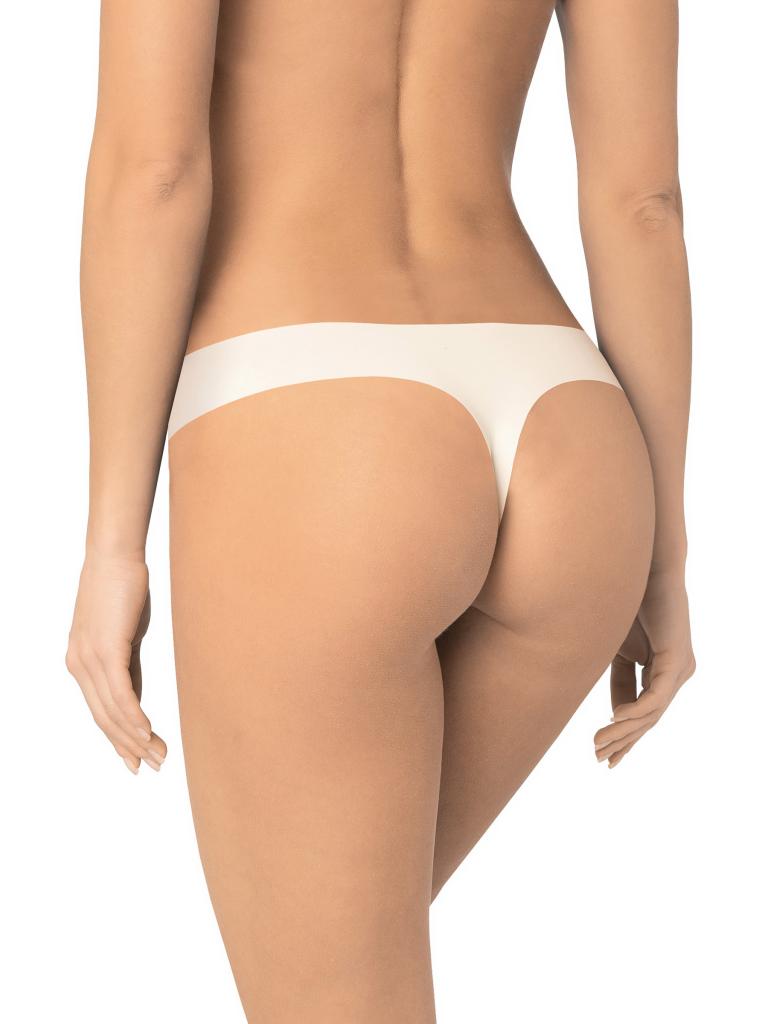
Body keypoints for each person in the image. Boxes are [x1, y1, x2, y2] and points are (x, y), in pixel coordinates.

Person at [66, 1, 696, 1019]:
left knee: (330, 994)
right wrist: (663, 557)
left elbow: (155, 171)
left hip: (318, 416)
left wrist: (111, 543)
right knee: (339, 975)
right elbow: (643, 204)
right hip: (568, 430)